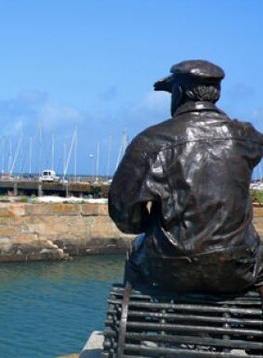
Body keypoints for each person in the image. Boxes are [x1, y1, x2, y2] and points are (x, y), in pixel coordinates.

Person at [108, 60, 263, 295]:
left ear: (178, 92)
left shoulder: (150, 141)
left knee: (135, 252)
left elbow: (122, 212)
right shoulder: (247, 137)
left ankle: (136, 326)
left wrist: (145, 224)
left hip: (167, 268)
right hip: (235, 266)